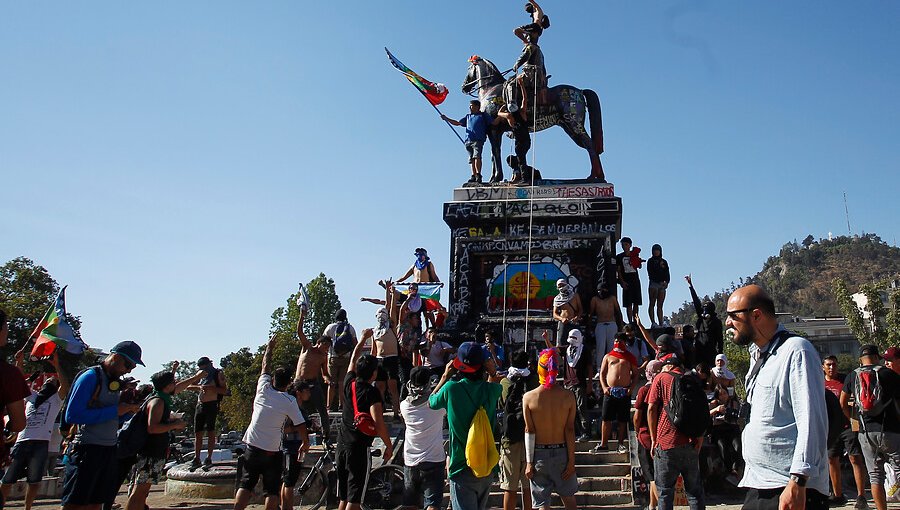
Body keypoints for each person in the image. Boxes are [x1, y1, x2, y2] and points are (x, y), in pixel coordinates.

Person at [726, 284, 829, 510]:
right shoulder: (758, 356)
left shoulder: (796, 351)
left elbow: (812, 420)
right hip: (760, 485)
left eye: (733, 316)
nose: (727, 323)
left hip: (789, 488)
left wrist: (798, 480)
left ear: (756, 315)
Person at [61, 341, 143, 510]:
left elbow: (111, 418)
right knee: (75, 503)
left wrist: (129, 413)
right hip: (87, 449)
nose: (128, 370)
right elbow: (73, 415)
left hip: (107, 450)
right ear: (115, 357)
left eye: (132, 368)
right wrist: (116, 411)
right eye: (127, 365)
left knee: (97, 503)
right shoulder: (91, 377)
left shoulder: (112, 382)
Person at [234, 333, 306, 510]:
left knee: (246, 484)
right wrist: (305, 442)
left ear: (273, 379)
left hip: (252, 445)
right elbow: (301, 424)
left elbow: (265, 365)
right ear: (289, 383)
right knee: (272, 491)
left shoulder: (263, 388)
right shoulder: (289, 401)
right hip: (272, 449)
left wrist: (269, 347)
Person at [429, 342, 503, 510]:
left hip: (461, 466)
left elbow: (431, 402)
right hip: (486, 466)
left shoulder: (451, 389)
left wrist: (444, 377)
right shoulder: (490, 390)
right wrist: (492, 371)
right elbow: (494, 381)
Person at [126, 368, 203, 510]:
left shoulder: (159, 397)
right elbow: (152, 427)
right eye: (173, 382)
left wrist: (193, 378)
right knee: (139, 492)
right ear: (167, 386)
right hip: (150, 453)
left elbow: (179, 388)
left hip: (153, 451)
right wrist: (175, 424)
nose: (175, 384)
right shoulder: (158, 402)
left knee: (142, 493)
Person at [1, 351, 69, 510]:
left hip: (41, 444)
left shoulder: (55, 401)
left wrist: (57, 365)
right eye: (49, 379)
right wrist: (19, 361)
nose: (51, 380)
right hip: (22, 440)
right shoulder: (31, 396)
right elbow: (17, 380)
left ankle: (28, 508)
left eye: (54, 381)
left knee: (34, 481)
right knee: (7, 479)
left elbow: (65, 386)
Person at [337, 331, 393, 510]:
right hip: (359, 448)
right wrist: (388, 445)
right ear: (374, 373)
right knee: (355, 499)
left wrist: (362, 340)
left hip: (342, 444)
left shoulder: (349, 384)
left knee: (344, 497)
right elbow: (378, 422)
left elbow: (353, 359)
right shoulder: (372, 392)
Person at [841, 344, 900, 510]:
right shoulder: (889, 374)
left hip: (865, 432)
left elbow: (842, 402)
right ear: (876, 357)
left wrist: (853, 418)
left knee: (875, 476)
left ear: (860, 359)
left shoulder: (852, 375)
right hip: (890, 429)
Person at [647, 354, 705, 510]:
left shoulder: (661, 377)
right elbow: (701, 410)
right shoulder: (692, 379)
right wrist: (700, 436)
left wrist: (653, 439)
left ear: (668, 366)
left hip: (666, 442)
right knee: (694, 492)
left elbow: (651, 408)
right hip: (691, 442)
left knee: (665, 492)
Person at [523, 348, 577, 510]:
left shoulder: (529, 398)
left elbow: (529, 431)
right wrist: (571, 461)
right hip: (562, 453)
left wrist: (529, 462)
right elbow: (569, 430)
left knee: (541, 504)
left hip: (539, 454)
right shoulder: (568, 396)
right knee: (569, 499)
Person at [822, 355, 868, 509]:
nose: (831, 368)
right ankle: (837, 494)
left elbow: (854, 400)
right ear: (823, 367)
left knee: (855, 458)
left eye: (834, 364)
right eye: (828, 365)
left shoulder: (846, 380)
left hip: (848, 426)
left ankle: (861, 495)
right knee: (831, 459)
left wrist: (854, 422)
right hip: (830, 428)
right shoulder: (819, 383)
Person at [400, 366, 446, 510]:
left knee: (411, 504)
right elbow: (434, 397)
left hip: (411, 461)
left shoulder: (404, 406)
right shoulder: (438, 407)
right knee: (432, 504)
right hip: (434, 460)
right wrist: (444, 377)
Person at [499, 351, 537, 510]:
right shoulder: (534, 381)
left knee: (510, 487)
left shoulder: (505, 382)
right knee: (528, 488)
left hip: (509, 439)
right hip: (530, 439)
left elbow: (501, 404)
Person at [293, 308, 332, 441]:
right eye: (325, 345)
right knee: (295, 407)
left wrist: (328, 380)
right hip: (299, 382)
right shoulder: (308, 348)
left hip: (312, 383)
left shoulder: (323, 357)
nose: (326, 349)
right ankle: (295, 431)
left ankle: (326, 434)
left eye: (328, 347)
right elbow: (299, 332)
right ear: (319, 343)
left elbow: (324, 373)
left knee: (322, 409)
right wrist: (301, 316)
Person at [599, 334, 640, 452]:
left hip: (624, 392)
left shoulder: (630, 357)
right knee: (606, 418)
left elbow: (636, 374)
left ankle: (621, 444)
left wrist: (631, 388)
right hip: (610, 391)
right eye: (616, 340)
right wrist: (604, 387)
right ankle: (603, 444)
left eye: (620, 341)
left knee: (623, 419)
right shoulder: (608, 356)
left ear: (625, 342)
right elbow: (602, 373)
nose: (617, 342)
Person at [441, 100, 495, 184]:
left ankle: (478, 174)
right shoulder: (468, 116)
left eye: (471, 106)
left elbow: (493, 122)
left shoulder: (483, 115)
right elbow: (458, 123)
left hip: (478, 139)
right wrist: (446, 119)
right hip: (468, 140)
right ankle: (473, 175)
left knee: (477, 156)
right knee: (471, 159)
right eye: (470, 106)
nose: (470, 107)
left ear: (477, 106)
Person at [189, 356, 228, 470]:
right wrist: (200, 387)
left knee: (211, 431)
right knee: (198, 432)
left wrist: (211, 388)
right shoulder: (200, 374)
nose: (204, 370)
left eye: (205, 367)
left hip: (212, 404)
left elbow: (224, 390)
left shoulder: (217, 374)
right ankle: (197, 458)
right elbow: (189, 385)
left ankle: (209, 458)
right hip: (200, 405)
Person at [634, 360, 663, 510]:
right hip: (663, 435)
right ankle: (652, 505)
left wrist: (637, 430)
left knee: (651, 475)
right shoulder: (664, 388)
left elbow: (637, 416)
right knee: (657, 474)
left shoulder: (644, 390)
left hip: (646, 436)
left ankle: (663, 505)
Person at [281, 381, 312, 510]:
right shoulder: (291, 407)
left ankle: (286, 507)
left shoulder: (301, 408)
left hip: (297, 446)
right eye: (306, 391)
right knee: (289, 482)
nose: (309, 393)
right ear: (299, 393)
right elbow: (284, 429)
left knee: (289, 480)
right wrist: (299, 427)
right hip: (291, 447)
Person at [686, 275, 723, 368]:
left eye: (707, 309)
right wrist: (691, 286)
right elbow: (696, 302)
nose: (704, 311)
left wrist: (720, 354)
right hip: (699, 350)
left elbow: (720, 339)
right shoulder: (701, 318)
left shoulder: (716, 322)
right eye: (704, 309)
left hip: (710, 352)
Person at [371, 307, 401, 420]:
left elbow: (392, 310)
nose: (381, 315)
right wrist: (371, 361)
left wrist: (391, 294)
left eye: (383, 313)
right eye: (379, 313)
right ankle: (381, 410)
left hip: (391, 359)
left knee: (392, 386)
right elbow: (374, 349)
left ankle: (396, 413)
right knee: (380, 387)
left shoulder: (391, 327)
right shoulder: (375, 331)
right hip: (379, 360)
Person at [324, 309, 357, 412]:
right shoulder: (350, 328)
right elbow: (355, 343)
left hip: (333, 357)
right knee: (342, 382)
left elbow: (323, 340)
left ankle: (329, 406)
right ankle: (341, 405)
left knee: (332, 383)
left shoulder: (330, 327)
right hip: (346, 358)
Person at [708, 384, 743, 479]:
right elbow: (706, 414)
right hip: (719, 430)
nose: (723, 396)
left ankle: (736, 468)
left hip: (731, 428)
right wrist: (716, 410)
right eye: (720, 394)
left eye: (724, 393)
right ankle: (728, 471)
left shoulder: (733, 403)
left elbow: (738, 416)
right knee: (723, 447)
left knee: (738, 445)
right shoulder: (714, 403)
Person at [590, 286, 624, 367]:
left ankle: (612, 367)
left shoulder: (612, 298)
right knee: (600, 348)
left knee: (612, 347)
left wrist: (621, 325)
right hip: (600, 324)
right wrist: (590, 327)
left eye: (603, 289)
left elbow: (618, 312)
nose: (601, 291)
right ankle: (599, 368)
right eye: (599, 290)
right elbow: (591, 314)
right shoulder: (595, 299)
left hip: (611, 324)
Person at [617, 237, 642, 324]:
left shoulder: (634, 254)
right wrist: (622, 281)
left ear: (630, 245)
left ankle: (636, 320)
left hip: (635, 280)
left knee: (636, 302)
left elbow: (638, 266)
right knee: (628, 304)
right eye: (623, 245)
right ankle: (630, 321)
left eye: (626, 245)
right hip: (626, 281)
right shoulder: (620, 257)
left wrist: (638, 261)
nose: (624, 247)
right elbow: (618, 270)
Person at [552, 279, 583, 345]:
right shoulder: (557, 299)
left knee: (576, 343)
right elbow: (554, 314)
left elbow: (580, 309)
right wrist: (562, 319)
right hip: (563, 324)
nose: (561, 287)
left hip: (574, 323)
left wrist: (576, 318)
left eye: (562, 285)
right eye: (559, 286)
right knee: (562, 343)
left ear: (566, 284)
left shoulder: (575, 296)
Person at [646, 244, 670, 328]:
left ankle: (661, 323)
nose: (656, 252)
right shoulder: (650, 261)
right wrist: (658, 281)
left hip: (662, 285)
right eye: (654, 250)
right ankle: (653, 322)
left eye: (657, 250)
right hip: (654, 283)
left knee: (660, 305)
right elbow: (650, 273)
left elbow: (667, 272)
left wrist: (666, 282)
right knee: (652, 302)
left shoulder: (664, 261)